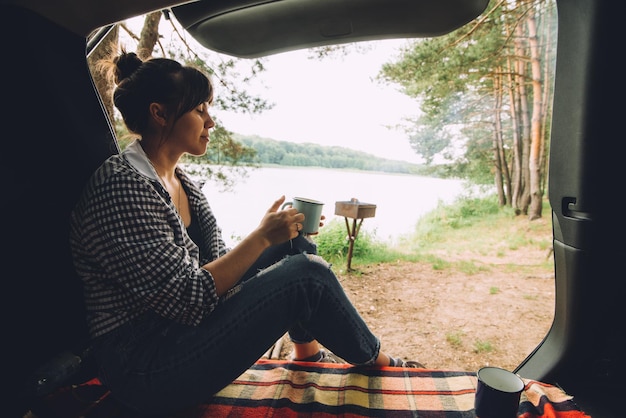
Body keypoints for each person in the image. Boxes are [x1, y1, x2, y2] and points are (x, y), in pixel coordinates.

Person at [69, 50, 423, 416]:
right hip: (146, 368)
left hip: (181, 334)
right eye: (200, 110)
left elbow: (219, 268)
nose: (211, 121)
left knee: (294, 245)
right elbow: (191, 298)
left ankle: (308, 354)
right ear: (159, 114)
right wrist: (260, 240)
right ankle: (383, 364)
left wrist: (270, 234)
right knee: (308, 276)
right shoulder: (121, 188)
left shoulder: (181, 181)